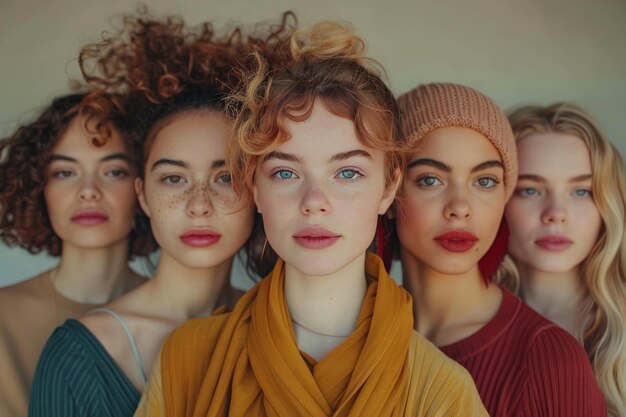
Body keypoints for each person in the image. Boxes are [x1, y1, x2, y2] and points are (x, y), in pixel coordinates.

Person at [135, 22, 488, 417]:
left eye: (348, 173)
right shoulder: (186, 359)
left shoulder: (442, 391)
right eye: (285, 173)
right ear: (254, 187)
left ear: (389, 187)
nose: (314, 202)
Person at [28, 12, 293, 417]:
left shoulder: (286, 330)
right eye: (173, 179)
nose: (198, 204)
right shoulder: (76, 355)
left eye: (224, 177)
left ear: (257, 190)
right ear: (143, 196)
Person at [394, 82, 607, 416]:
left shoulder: (551, 360)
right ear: (389, 191)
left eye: (485, 181)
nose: (460, 207)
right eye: (430, 179)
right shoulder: (356, 337)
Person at [0, 92, 153, 417]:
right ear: (38, 189)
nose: (88, 191)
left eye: (113, 171)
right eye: (64, 173)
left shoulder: (185, 315)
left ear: (144, 187)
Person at [503, 103, 626, 417]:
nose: (556, 213)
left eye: (581, 191)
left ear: (607, 205)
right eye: (530, 190)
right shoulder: (459, 327)